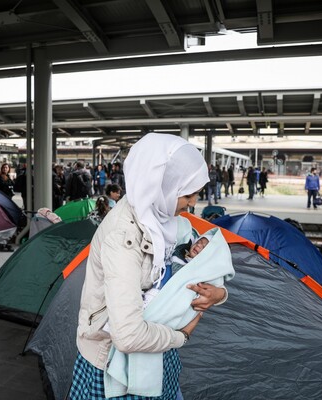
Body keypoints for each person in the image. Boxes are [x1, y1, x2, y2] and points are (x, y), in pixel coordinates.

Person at [71, 133, 229, 399]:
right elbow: (128, 337)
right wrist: (183, 336)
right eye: (187, 194)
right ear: (160, 186)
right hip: (114, 366)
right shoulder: (123, 238)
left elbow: (204, 265)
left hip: (156, 354)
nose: (192, 203)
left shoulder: (167, 222)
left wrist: (218, 295)